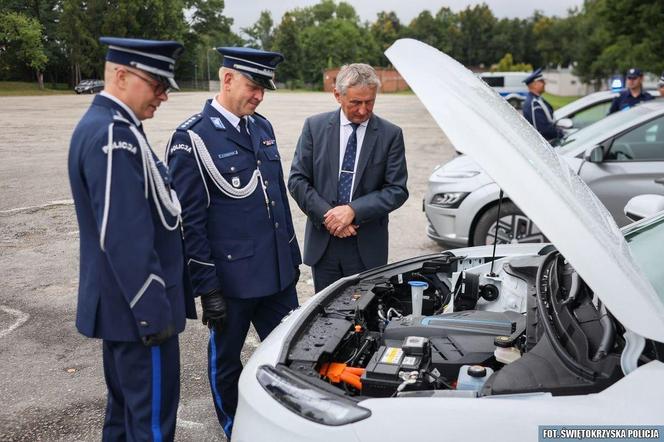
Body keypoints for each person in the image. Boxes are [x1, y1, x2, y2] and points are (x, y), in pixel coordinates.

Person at [166, 47, 301, 438]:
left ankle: (285, 425)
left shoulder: (262, 127)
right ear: (227, 79)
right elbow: (190, 222)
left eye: (264, 88)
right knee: (226, 363)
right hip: (233, 282)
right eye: (253, 85)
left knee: (290, 357)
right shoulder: (191, 138)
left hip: (277, 275)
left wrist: (291, 259)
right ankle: (234, 427)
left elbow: (276, 200)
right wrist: (207, 288)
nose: (259, 95)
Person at [68, 37, 195, 441]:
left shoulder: (117, 127)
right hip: (140, 314)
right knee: (151, 427)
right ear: (121, 76)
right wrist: (152, 313)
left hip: (126, 315)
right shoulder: (113, 136)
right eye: (155, 84)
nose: (163, 96)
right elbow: (124, 236)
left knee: (124, 422)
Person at [288, 63, 409, 293]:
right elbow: (297, 180)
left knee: (363, 320)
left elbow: (397, 190)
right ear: (337, 95)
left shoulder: (390, 134)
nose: (363, 110)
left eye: (370, 102)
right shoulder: (315, 127)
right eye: (355, 102)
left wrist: (353, 211)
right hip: (324, 245)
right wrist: (330, 217)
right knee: (325, 319)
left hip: (366, 248)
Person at [522, 67, 563, 142]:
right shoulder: (533, 103)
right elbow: (543, 130)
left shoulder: (536, 99)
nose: (544, 84)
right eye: (541, 81)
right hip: (547, 144)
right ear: (534, 85)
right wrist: (559, 132)